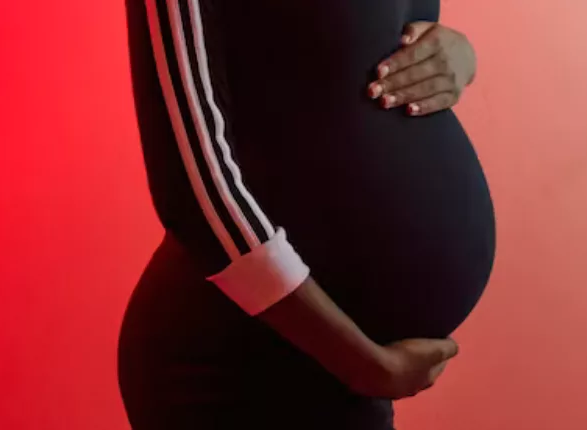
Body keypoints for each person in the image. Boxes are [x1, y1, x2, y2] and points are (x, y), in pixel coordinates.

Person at [119, 1, 496, 429]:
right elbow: (192, 189)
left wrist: (458, 57)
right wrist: (363, 363)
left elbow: (348, 66)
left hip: (349, 368)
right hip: (240, 368)